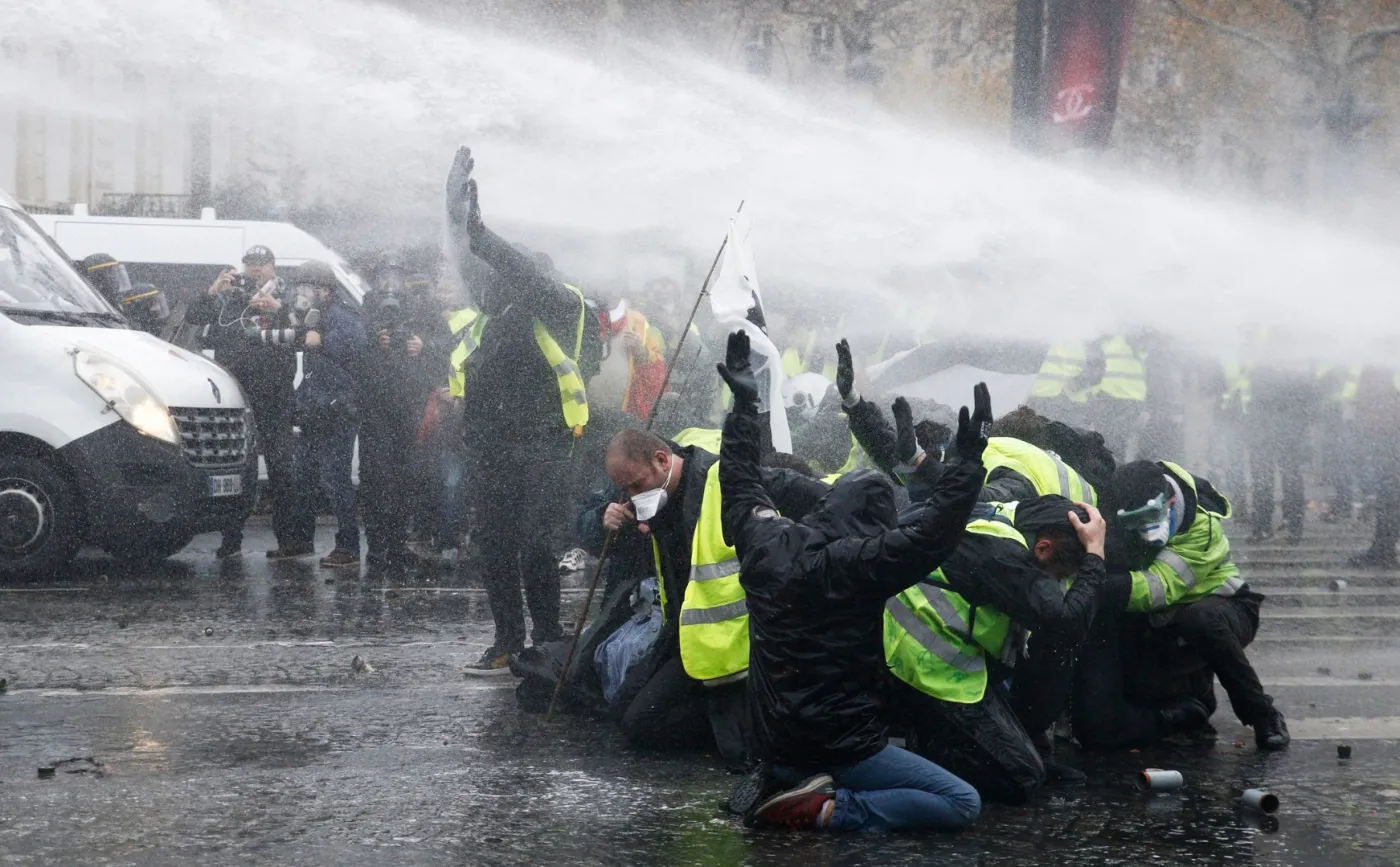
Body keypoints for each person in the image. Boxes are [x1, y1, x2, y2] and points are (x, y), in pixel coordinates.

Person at [716, 329, 991, 832]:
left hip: (774, 739)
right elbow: (932, 536)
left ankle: (788, 781)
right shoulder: (857, 565)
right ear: (875, 526)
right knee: (962, 801)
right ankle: (827, 809)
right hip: (840, 747)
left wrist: (743, 405)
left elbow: (738, 483)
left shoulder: (765, 543)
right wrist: (969, 466)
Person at [445, 147, 602, 673]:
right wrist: (455, 207)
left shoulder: (561, 305)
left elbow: (507, 266)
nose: (488, 286)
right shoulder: (493, 316)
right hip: (490, 446)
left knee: (536, 545)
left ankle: (549, 638)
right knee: (493, 545)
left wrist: (484, 236)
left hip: (543, 447)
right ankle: (508, 639)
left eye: (503, 276)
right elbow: (465, 257)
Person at [601, 424, 828, 761]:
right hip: (691, 640)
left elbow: (809, 493)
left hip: (740, 643)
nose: (633, 495)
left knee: (643, 725)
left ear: (662, 460)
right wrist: (615, 525)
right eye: (626, 490)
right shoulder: (654, 500)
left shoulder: (722, 480)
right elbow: (645, 564)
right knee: (621, 714)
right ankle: (733, 715)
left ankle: (750, 723)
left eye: (637, 485)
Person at [885, 496, 1116, 805]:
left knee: (1051, 650)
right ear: (1043, 548)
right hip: (921, 669)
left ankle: (947, 741)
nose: (1058, 584)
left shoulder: (1005, 521)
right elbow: (1065, 621)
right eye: (1059, 576)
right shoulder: (1002, 552)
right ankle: (914, 756)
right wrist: (1095, 556)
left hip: (952, 660)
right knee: (1021, 777)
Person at [1073, 460, 1289, 751]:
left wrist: (1089, 583)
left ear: (1169, 498)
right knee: (1133, 691)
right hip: (1163, 623)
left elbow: (1156, 589)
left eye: (1152, 514)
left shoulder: (1202, 524)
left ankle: (1263, 713)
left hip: (1226, 608)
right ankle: (1192, 697)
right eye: (1136, 520)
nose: (1147, 528)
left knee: (1200, 619)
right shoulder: (1116, 515)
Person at [184, 245, 300, 560]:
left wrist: (277, 307)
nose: (255, 270)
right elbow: (194, 317)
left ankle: (289, 541)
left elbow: (303, 330)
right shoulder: (231, 298)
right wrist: (212, 291)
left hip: (275, 396)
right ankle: (231, 539)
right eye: (250, 265)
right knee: (239, 470)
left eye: (261, 265)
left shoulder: (288, 296)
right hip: (237, 396)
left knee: (281, 468)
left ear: (274, 267)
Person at [285, 260, 368, 569]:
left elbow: (359, 344)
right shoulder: (311, 318)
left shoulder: (341, 315)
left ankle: (348, 546)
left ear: (322, 290)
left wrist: (324, 341)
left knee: (335, 479)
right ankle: (301, 539)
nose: (301, 294)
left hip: (336, 409)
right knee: (303, 476)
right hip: (313, 408)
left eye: (306, 288)